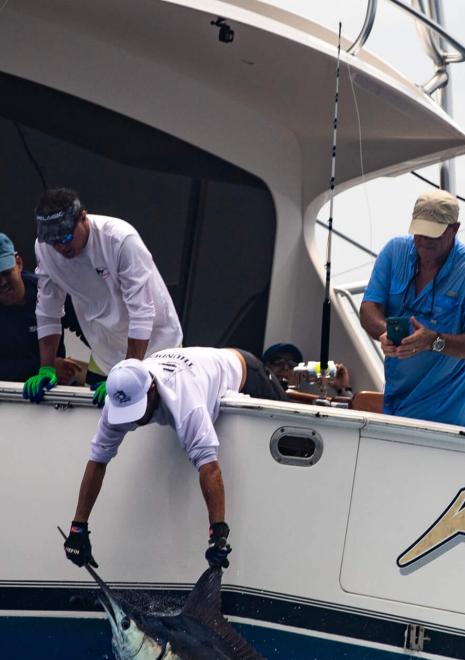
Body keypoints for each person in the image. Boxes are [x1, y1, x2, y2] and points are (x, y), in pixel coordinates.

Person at [62, 347, 288, 571]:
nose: (134, 420)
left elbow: (209, 468)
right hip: (198, 366)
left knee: (289, 423)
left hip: (243, 369)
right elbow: (97, 461)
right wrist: (78, 527)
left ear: (151, 390)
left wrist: (218, 535)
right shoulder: (118, 401)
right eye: (127, 412)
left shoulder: (186, 401)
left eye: (137, 410)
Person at [23, 188, 183, 406]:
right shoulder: (44, 248)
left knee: (151, 420)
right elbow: (48, 311)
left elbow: (142, 312)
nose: (61, 247)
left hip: (157, 348)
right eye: (53, 241)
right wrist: (47, 367)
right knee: (98, 423)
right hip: (104, 353)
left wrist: (127, 376)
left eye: (67, 237)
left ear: (83, 217)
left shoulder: (120, 239)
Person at [359, 189, 465, 427]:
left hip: (446, 413)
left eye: (433, 235)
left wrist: (433, 341)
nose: (424, 241)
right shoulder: (394, 252)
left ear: (454, 229)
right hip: (396, 401)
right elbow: (369, 308)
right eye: (419, 233)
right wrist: (384, 333)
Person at [0, 232, 82, 385]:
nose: (2, 282)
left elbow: (87, 327)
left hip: (53, 386)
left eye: (6, 272)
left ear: (18, 263)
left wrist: (113, 368)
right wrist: (45, 366)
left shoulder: (47, 290)